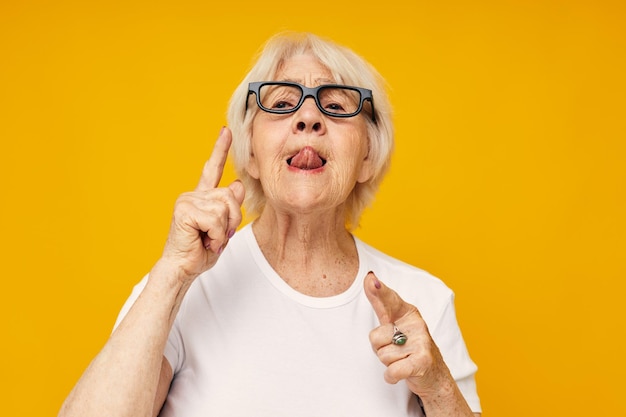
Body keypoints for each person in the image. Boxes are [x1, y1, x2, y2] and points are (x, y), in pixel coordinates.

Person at [59, 32, 481, 417]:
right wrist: (171, 273)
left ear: (368, 156)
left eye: (335, 106)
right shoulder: (182, 290)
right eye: (281, 104)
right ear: (252, 155)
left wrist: (438, 385)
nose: (309, 119)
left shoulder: (425, 302)